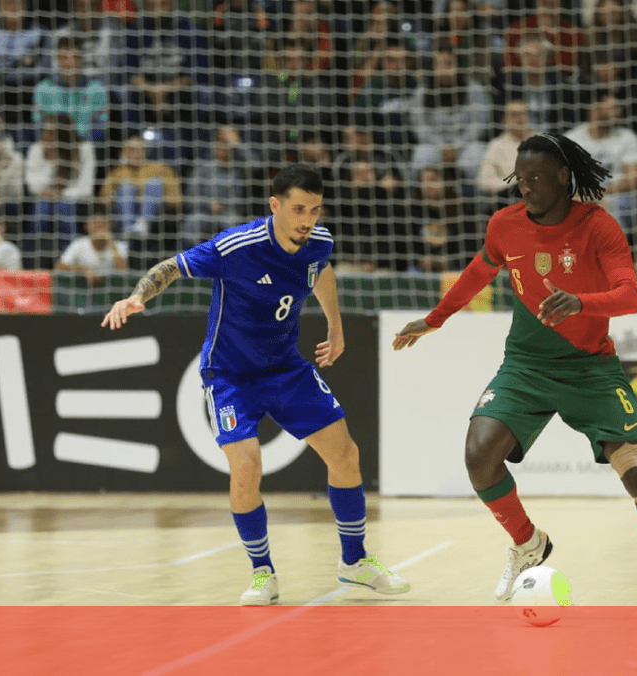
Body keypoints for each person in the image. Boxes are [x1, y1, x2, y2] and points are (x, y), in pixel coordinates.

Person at [391, 134, 637, 619]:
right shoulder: (505, 224)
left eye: (536, 178)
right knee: (479, 456)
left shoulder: (598, 226)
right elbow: (479, 271)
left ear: (564, 177)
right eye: (520, 179)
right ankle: (528, 543)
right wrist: (435, 318)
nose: (526, 188)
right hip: (526, 365)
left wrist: (582, 302)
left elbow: (631, 297)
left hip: (590, 369)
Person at [101, 163, 409, 605]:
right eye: (299, 209)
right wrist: (137, 296)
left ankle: (355, 562)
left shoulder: (318, 241)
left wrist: (335, 324)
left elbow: (320, 270)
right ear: (275, 205)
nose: (308, 219)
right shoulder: (237, 246)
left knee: (346, 454)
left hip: (286, 368)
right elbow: (172, 266)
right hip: (230, 375)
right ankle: (263, 572)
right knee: (246, 467)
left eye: (316, 209)